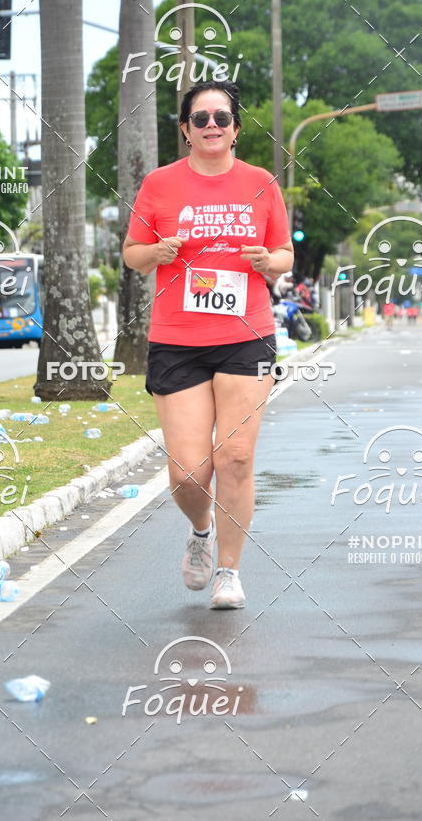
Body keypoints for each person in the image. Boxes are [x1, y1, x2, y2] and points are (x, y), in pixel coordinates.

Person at [122, 81, 293, 610]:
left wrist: (269, 262)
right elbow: (132, 254)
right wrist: (157, 250)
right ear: (186, 130)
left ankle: (229, 570)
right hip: (177, 340)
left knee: (236, 456)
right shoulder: (160, 184)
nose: (212, 124)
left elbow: (286, 253)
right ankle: (201, 529)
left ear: (237, 127)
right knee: (188, 472)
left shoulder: (261, 182)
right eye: (201, 118)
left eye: (222, 116)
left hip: (246, 336)